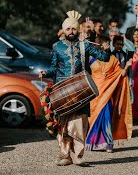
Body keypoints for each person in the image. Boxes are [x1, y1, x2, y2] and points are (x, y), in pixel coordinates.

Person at [39, 10, 111, 166]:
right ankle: (65, 155)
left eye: (73, 29)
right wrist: (46, 72)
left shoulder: (85, 45)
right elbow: (54, 68)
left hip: (81, 90)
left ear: (78, 30)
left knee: (79, 123)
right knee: (63, 124)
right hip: (62, 91)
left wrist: (106, 48)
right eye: (68, 29)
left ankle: (78, 155)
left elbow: (104, 58)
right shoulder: (57, 46)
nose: (71, 32)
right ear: (64, 30)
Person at [86, 35, 132, 153]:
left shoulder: (113, 59)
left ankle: (107, 143)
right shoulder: (90, 57)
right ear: (98, 45)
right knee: (93, 117)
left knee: (106, 116)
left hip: (108, 92)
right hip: (95, 92)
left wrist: (126, 66)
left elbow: (120, 74)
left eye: (108, 43)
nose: (107, 45)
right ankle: (93, 143)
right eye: (104, 43)